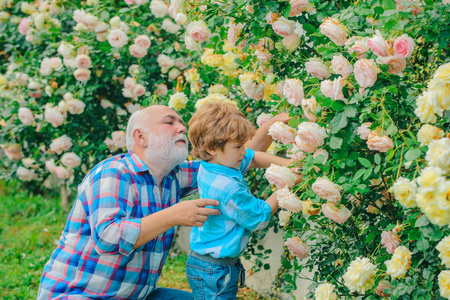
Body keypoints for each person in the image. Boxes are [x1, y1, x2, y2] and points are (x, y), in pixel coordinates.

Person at [37, 104, 289, 300]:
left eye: (181, 122)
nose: (181, 127)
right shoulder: (114, 172)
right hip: (81, 295)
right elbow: (108, 237)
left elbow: (236, 157)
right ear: (141, 137)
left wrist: (272, 128)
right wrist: (174, 215)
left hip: (138, 296)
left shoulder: (172, 177)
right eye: (169, 122)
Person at [185, 102, 300, 300]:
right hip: (215, 272)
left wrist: (288, 165)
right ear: (213, 148)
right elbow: (258, 217)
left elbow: (252, 156)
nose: (242, 151)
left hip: (209, 266)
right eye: (238, 146)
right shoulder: (227, 187)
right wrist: (286, 182)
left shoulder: (213, 165)